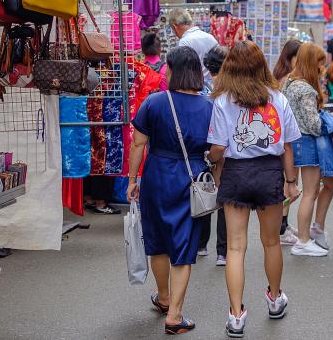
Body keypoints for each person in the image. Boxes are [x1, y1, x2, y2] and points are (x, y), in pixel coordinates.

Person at [207, 41, 300, 338]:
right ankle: (275, 299)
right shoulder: (277, 97)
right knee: (271, 242)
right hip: (269, 172)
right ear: (261, 64)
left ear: (229, 65)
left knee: (235, 247)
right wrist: (291, 181)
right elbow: (287, 146)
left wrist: (213, 163)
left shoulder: (222, 100)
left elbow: (218, 149)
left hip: (236, 173)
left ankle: (236, 315)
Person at [126, 46, 213, 335]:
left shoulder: (154, 102)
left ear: (173, 70)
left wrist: (132, 180)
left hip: (156, 174)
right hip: (192, 178)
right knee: (184, 244)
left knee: (159, 239)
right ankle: (174, 315)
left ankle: (163, 297)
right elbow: (217, 150)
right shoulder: (209, 106)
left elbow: (138, 144)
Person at [282, 43, 333, 257]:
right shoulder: (305, 89)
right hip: (306, 141)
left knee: (307, 191)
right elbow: (313, 124)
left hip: (294, 141)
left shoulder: (290, 82)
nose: (322, 66)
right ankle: (303, 240)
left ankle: (304, 237)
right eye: (320, 62)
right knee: (310, 192)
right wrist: (328, 120)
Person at [195, 46, 228, 263]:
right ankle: (223, 251)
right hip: (227, 148)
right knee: (225, 198)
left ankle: (201, 244)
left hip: (206, 147)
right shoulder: (231, 91)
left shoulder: (203, 90)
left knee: (205, 192)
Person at [272, 39, 303, 246]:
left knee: (288, 181)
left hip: (283, 135)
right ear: (290, 57)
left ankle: (283, 224)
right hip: (286, 138)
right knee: (288, 182)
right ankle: (281, 227)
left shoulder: (279, 75)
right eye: (298, 57)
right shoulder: (287, 78)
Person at [168, 8, 218, 82]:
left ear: (175, 27)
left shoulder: (184, 42)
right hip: (213, 86)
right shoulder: (210, 37)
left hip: (195, 87)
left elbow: (182, 71)